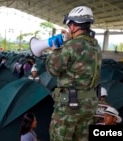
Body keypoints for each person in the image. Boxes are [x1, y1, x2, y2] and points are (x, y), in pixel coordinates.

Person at [46, 6, 102, 141]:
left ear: (73, 25)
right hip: (89, 104)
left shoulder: (71, 46)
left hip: (70, 105)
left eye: (69, 24)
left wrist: (55, 51)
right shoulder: (96, 46)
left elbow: (53, 69)